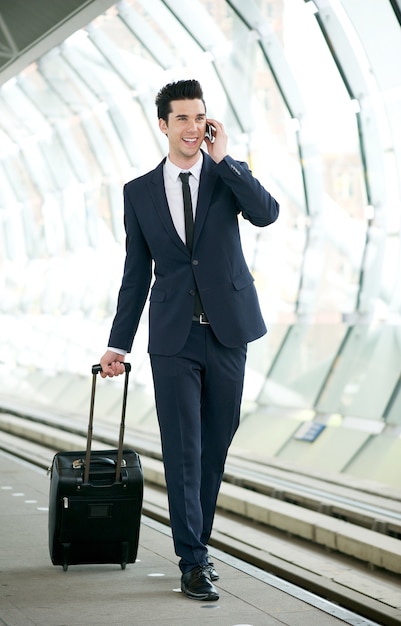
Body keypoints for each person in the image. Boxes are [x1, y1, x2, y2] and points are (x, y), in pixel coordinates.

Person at [99, 79, 279, 601]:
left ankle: (197, 543)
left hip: (228, 333)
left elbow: (266, 213)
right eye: (181, 118)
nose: (192, 127)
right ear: (163, 124)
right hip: (173, 338)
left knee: (215, 446)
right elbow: (136, 273)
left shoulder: (226, 177)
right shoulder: (139, 191)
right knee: (183, 449)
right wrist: (119, 343)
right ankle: (193, 560)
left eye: (199, 117)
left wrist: (228, 161)